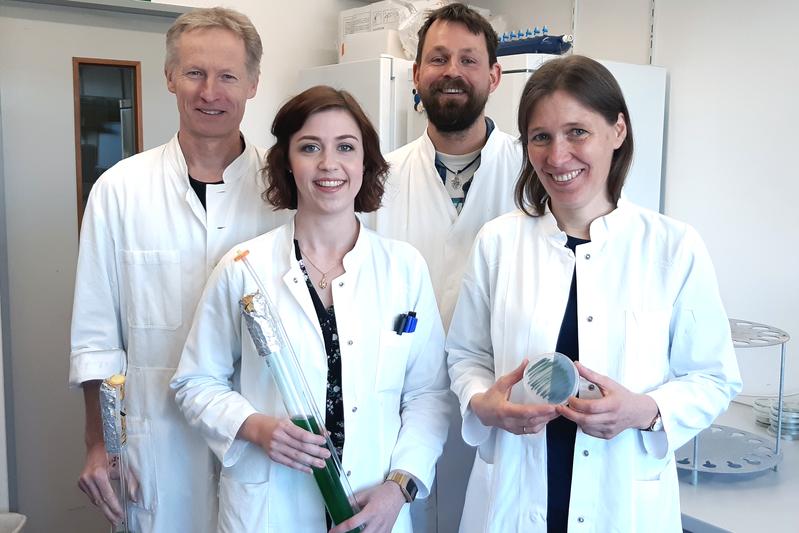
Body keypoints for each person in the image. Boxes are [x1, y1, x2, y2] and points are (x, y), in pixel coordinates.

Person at [447, 55, 742, 532]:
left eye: (577, 132)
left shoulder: (671, 247)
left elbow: (714, 378)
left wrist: (644, 412)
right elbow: (466, 355)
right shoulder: (499, 242)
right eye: (540, 137)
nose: (557, 156)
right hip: (512, 494)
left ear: (617, 131)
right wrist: (482, 401)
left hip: (621, 499)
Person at [171, 86, 450, 533]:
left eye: (345, 147)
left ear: (365, 162)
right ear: (286, 162)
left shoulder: (404, 268)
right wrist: (256, 427)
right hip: (269, 507)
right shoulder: (246, 268)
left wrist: (398, 488)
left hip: (373, 505)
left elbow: (428, 396)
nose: (328, 164)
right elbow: (194, 382)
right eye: (309, 148)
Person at [69, 7, 289, 532]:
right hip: (157, 445)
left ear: (254, 83)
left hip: (261, 441)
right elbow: (97, 336)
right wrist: (100, 444)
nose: (209, 91)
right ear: (170, 77)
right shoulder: (120, 191)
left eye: (228, 76)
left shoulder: (284, 190)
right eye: (194, 73)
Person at [360, 4, 521, 528]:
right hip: (398, 406)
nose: (452, 71)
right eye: (439, 58)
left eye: (469, 59)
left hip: (502, 405)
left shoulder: (532, 175)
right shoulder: (378, 177)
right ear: (416, 74)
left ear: (494, 75)